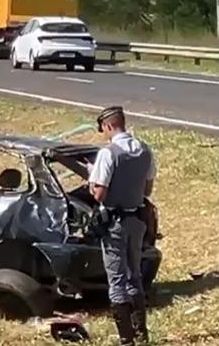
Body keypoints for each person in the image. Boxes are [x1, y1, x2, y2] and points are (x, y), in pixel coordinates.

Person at [87, 106, 156, 346]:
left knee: (116, 280)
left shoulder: (109, 154)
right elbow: (147, 190)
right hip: (137, 220)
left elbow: (99, 194)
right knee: (134, 275)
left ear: (107, 126)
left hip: (115, 222)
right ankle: (141, 332)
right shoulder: (145, 150)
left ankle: (126, 339)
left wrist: (91, 181)